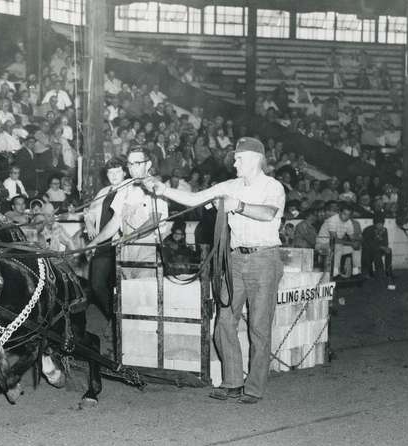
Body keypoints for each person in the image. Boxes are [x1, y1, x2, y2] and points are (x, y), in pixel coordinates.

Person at [145, 137, 286, 404]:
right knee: (224, 320)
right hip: (235, 258)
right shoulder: (229, 186)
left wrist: (239, 206)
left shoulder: (273, 186)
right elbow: (195, 198)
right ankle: (232, 381)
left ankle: (254, 387)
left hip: (264, 259)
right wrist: (162, 190)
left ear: (255, 159)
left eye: (238, 158)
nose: (234, 163)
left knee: (259, 326)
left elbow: (269, 213)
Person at [84, 156, 129, 318]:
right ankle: (112, 316)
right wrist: (89, 225)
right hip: (101, 244)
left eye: (117, 171)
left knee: (120, 285)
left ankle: (121, 320)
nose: (114, 176)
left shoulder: (129, 190)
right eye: (110, 173)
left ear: (125, 172)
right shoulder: (103, 192)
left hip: (120, 243)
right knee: (97, 284)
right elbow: (89, 214)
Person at [360, 213, 395, 288]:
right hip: (368, 251)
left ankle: (388, 272)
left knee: (389, 251)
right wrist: (381, 247)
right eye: (378, 224)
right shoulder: (368, 230)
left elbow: (385, 242)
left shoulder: (384, 230)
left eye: (382, 224)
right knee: (376, 254)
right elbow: (368, 244)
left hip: (379, 249)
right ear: (374, 224)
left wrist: (386, 248)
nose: (380, 226)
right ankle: (379, 273)